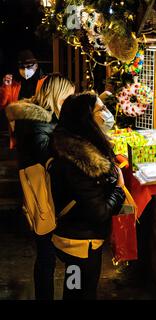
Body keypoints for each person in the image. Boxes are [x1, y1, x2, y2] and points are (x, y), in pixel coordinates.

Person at [5, 74, 75, 300]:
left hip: (37, 192)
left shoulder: (36, 119)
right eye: (67, 98)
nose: (68, 103)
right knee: (50, 255)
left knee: (46, 254)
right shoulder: (41, 125)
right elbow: (49, 161)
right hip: (44, 195)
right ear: (57, 95)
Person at [50, 92, 125, 300]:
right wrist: (119, 187)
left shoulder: (70, 145)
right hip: (80, 242)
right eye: (101, 109)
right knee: (80, 292)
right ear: (86, 119)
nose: (106, 113)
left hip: (76, 236)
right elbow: (99, 212)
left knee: (75, 289)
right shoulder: (80, 162)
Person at [0, 50, 46, 148]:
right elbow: (2, 104)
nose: (25, 70)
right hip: (19, 132)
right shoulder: (14, 83)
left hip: (39, 130)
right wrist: (6, 87)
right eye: (22, 67)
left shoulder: (44, 82)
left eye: (29, 66)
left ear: (36, 65)